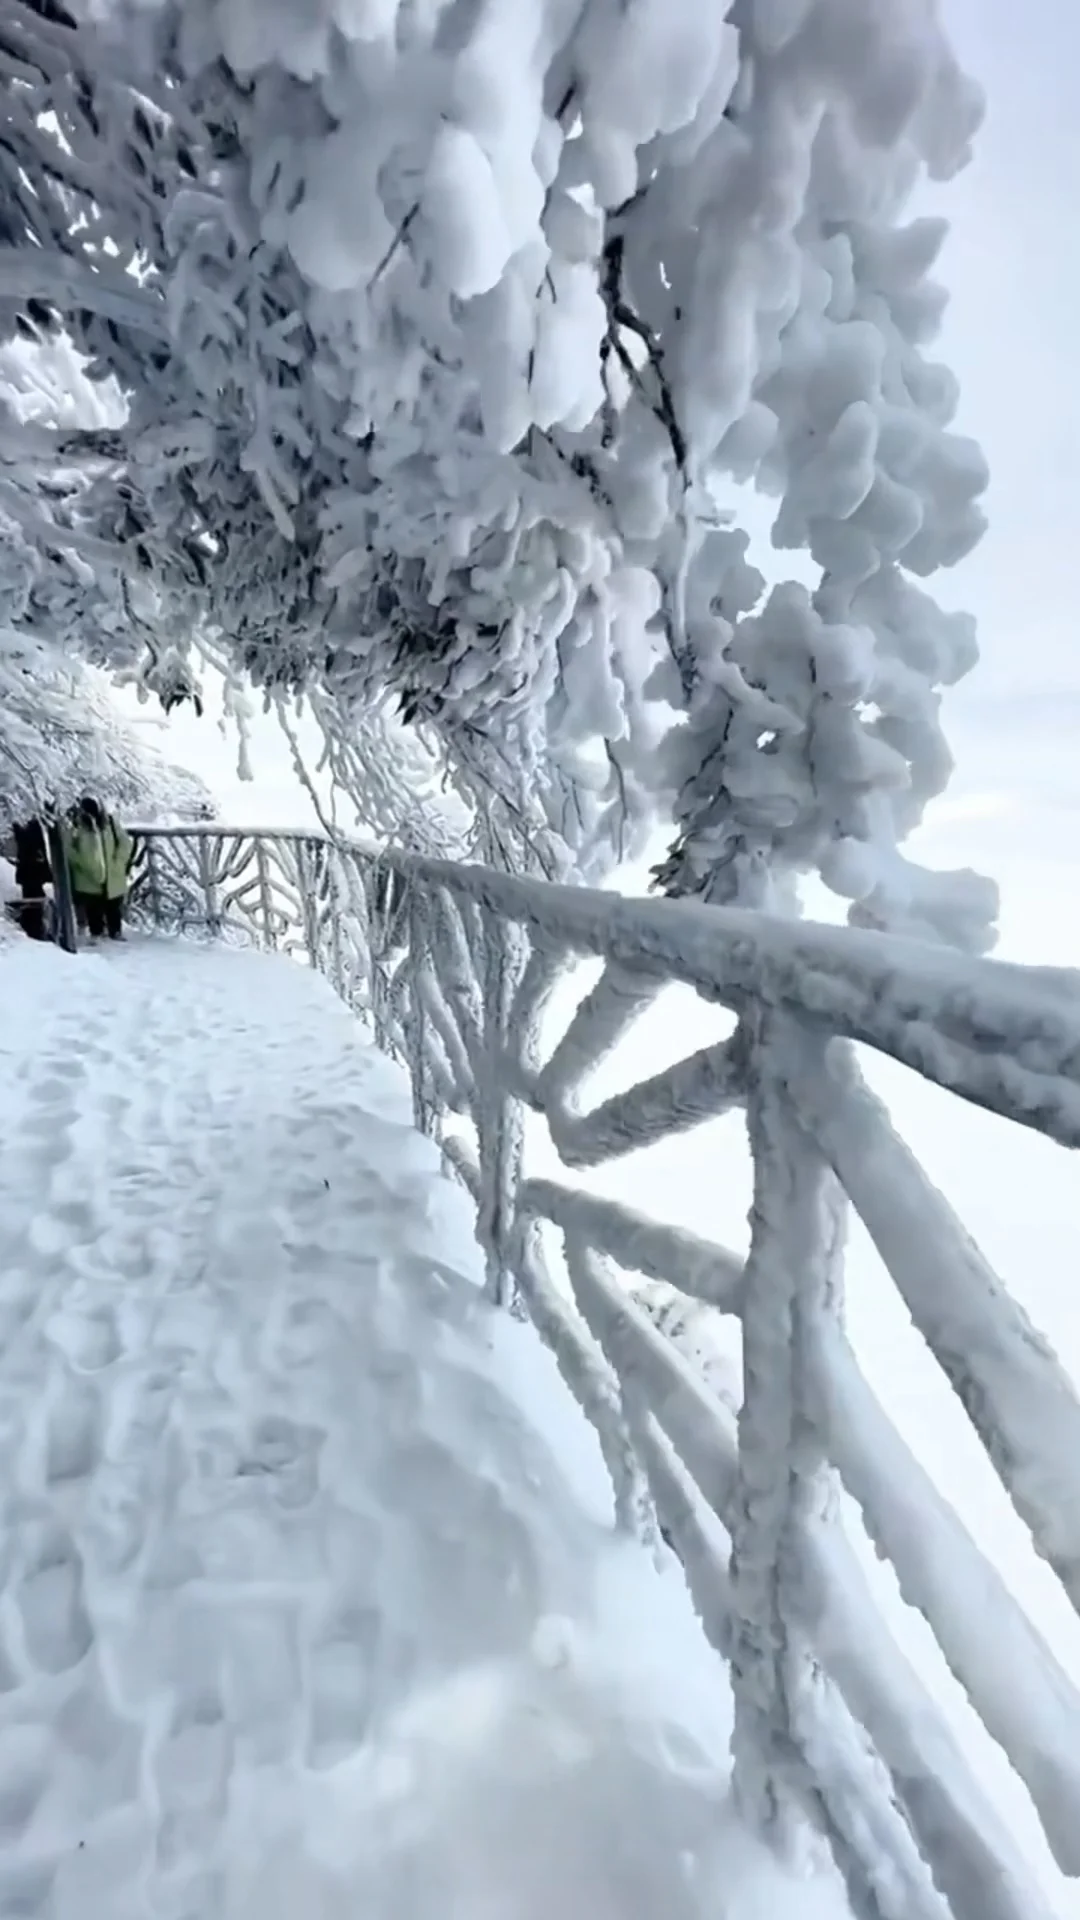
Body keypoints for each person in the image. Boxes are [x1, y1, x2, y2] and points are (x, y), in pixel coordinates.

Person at [63, 796, 134, 940]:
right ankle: (96, 932)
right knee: (92, 904)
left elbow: (125, 842)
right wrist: (81, 862)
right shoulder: (76, 826)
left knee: (114, 904)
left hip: (112, 871)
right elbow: (67, 847)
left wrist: (118, 861)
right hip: (86, 873)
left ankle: (115, 931)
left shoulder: (110, 823)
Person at [11, 816, 53, 941]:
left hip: (30, 870)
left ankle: (33, 928)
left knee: (32, 897)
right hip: (33, 869)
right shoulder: (33, 824)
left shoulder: (28, 826)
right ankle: (35, 927)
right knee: (34, 898)